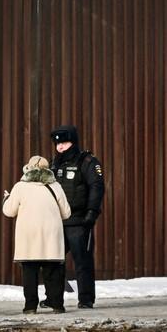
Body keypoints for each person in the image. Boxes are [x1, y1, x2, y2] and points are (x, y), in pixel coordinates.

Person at [3, 156, 72, 314]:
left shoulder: (20, 187)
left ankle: (30, 307)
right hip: (51, 235)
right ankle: (57, 305)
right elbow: (66, 213)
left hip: (28, 235)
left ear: (28, 168)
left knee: (30, 273)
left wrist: (6, 199)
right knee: (53, 272)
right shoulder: (55, 186)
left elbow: (9, 211)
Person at [50, 125, 105, 309]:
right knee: (53, 262)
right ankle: (54, 299)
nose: (60, 147)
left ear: (73, 142)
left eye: (64, 143)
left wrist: (92, 212)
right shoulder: (54, 163)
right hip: (58, 221)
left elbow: (97, 187)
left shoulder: (87, 161)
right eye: (58, 144)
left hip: (79, 221)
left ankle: (86, 299)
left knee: (83, 262)